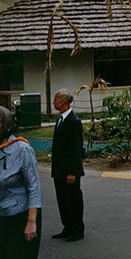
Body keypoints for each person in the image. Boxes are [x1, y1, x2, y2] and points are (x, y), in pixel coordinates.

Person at [0, 105, 42, 259]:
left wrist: (31, 222)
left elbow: (34, 187)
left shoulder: (22, 149)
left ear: (6, 125)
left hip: (19, 220)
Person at [51, 89, 85, 242]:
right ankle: (67, 226)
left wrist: (73, 172)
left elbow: (76, 149)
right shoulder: (60, 120)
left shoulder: (73, 121)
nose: (54, 102)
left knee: (73, 199)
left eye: (56, 99)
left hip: (69, 170)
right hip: (59, 169)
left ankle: (77, 229)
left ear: (63, 101)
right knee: (62, 199)